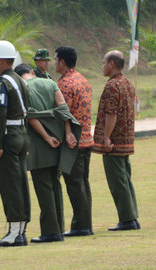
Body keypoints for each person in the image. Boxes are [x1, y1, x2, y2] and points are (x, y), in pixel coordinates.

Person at [14, 63, 79, 243]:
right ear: (32, 72)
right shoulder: (50, 83)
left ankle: (50, 232)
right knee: (55, 185)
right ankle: (58, 228)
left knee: (43, 188)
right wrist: (67, 133)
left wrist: (46, 137)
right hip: (59, 139)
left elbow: (31, 116)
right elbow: (63, 109)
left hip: (38, 144)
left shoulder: (22, 88)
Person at [0, 40, 31, 248]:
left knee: (10, 185)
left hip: (7, 136)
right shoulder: (19, 79)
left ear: (1, 60)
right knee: (20, 183)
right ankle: (20, 230)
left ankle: (14, 232)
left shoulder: (0, 82)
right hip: (21, 133)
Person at [93, 51, 140, 231]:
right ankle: (132, 216)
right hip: (126, 140)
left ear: (112, 64)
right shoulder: (127, 83)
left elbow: (111, 114)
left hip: (114, 142)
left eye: (104, 62)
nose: (102, 65)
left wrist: (106, 137)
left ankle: (127, 219)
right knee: (125, 179)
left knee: (117, 182)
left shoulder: (112, 85)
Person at [54, 46, 94, 237]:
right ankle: (85, 223)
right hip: (87, 139)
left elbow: (64, 114)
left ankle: (81, 225)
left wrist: (67, 134)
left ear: (62, 62)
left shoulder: (64, 84)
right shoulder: (83, 80)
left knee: (74, 184)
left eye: (55, 60)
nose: (54, 63)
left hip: (73, 141)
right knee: (83, 183)